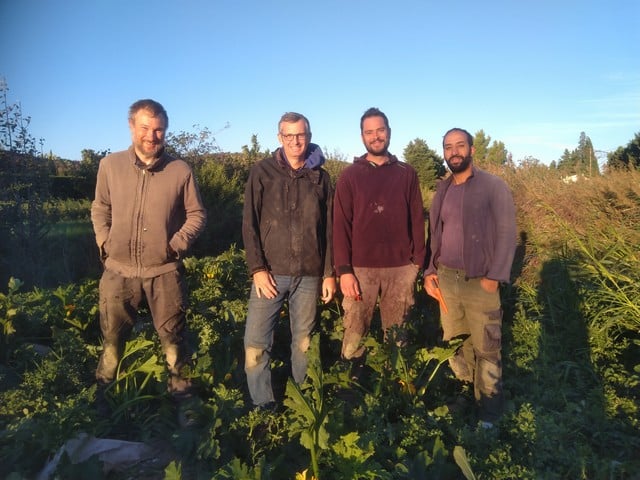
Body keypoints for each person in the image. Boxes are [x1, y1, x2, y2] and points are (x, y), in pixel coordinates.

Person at [91, 99, 207, 414]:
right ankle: (102, 404)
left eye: (158, 130)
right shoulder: (110, 166)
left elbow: (196, 214)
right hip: (118, 272)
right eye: (145, 128)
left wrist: (178, 242)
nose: (151, 136)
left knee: (173, 342)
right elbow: (100, 207)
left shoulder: (180, 170)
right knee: (112, 341)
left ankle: (182, 405)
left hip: (164, 272)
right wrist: (104, 242)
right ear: (132, 127)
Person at [423, 127, 516, 428]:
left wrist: (494, 277)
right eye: (448, 147)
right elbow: (434, 234)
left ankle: (489, 415)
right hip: (447, 280)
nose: (454, 152)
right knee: (456, 342)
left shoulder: (493, 186)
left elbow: (507, 233)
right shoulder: (443, 189)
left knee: (487, 346)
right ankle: (467, 395)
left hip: (481, 281)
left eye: (460, 145)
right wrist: (430, 271)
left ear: (472, 150)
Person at [242, 112, 336, 410]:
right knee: (256, 344)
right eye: (289, 135)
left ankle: (302, 405)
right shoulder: (263, 172)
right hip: (270, 274)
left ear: (309, 135)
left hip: (309, 275)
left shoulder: (321, 177)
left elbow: (330, 228)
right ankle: (263, 406)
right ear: (279, 137)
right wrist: (257, 269)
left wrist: (329, 272)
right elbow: (250, 224)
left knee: (304, 344)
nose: (296, 141)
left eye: (301, 134)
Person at [333, 107, 426, 372]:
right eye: (369, 132)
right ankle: (352, 389)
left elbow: (417, 219)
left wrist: (417, 263)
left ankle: (393, 390)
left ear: (389, 132)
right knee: (354, 331)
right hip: (360, 270)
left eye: (380, 130)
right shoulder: (350, 175)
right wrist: (344, 270)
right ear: (362, 136)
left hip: (400, 269)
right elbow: (340, 225)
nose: (376, 136)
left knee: (397, 336)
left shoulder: (406, 173)